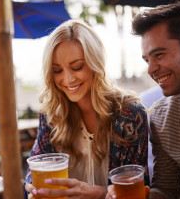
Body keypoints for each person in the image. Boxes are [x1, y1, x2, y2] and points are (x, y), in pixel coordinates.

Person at [106, 2, 180, 199]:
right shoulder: (160, 117)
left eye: (159, 55)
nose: (151, 69)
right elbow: (166, 189)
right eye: (147, 60)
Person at [23, 19, 150, 199]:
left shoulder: (129, 114)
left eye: (77, 67)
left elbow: (137, 191)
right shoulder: (51, 114)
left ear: (95, 64)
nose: (67, 79)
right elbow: (35, 164)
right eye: (57, 70)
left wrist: (94, 193)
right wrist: (33, 189)